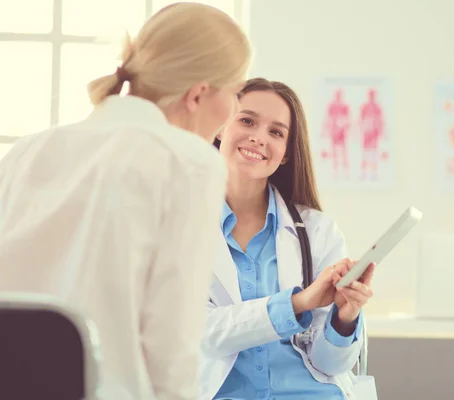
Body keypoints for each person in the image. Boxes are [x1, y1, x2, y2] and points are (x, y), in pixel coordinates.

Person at [0, 3, 250, 400]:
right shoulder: (187, 162)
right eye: (235, 92)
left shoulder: (28, 152)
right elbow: (171, 342)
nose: (234, 110)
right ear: (198, 94)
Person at [201, 78, 376, 400]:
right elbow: (200, 334)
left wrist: (346, 315)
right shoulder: (182, 225)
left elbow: (331, 364)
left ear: (284, 154)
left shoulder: (317, 230)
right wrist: (299, 303)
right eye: (247, 120)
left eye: (276, 132)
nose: (258, 137)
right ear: (221, 128)